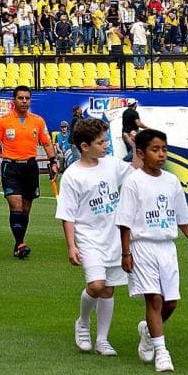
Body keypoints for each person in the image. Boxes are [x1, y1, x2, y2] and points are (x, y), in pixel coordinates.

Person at [117, 129, 188, 373]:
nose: (161, 154)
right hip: (142, 246)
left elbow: (181, 215)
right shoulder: (133, 182)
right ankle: (161, 352)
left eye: (164, 149)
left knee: (171, 302)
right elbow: (124, 221)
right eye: (155, 150)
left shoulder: (171, 180)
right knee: (153, 298)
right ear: (141, 153)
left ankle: (148, 330)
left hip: (167, 247)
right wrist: (126, 254)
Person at [56, 118, 136, 357]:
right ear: (84, 146)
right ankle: (82, 322)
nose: (106, 146)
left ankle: (102, 339)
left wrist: (136, 148)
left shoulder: (111, 164)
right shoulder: (72, 176)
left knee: (109, 289)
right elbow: (67, 214)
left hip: (114, 237)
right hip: (89, 237)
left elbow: (135, 170)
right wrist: (71, 246)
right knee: (96, 285)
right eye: (100, 143)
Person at [0, 86, 59, 259]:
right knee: (16, 206)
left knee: (26, 210)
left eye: (27, 98)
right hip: (10, 167)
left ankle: (18, 243)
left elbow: (47, 143)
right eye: (21, 98)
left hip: (30, 168)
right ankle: (21, 243)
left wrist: (53, 161)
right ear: (14, 100)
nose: (24, 101)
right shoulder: (3, 121)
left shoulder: (37, 121)